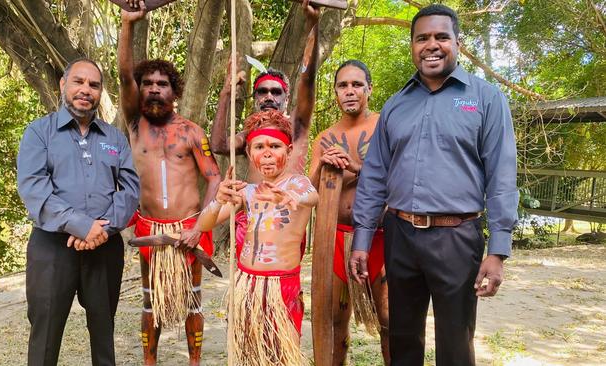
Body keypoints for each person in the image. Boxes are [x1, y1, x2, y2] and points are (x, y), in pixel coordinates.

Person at [349, 4, 518, 365]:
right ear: (412, 45)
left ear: (458, 41)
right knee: (402, 336)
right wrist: (362, 238)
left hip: (457, 237)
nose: (432, 45)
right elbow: (375, 175)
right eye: (422, 38)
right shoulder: (396, 105)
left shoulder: (486, 99)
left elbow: (502, 177)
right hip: (400, 235)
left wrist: (498, 250)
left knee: (456, 341)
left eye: (441, 37)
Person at [17, 58, 140, 366]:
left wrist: (103, 229)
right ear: (63, 85)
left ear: (100, 92)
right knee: (45, 334)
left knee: (103, 331)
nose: (86, 90)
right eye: (79, 82)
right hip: (52, 248)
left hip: (105, 246)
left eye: (94, 85)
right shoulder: (39, 132)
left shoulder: (114, 138)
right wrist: (81, 225)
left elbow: (130, 190)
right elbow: (34, 189)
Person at [118, 4, 221, 365]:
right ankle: (150, 361)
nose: (154, 90)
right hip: (151, 229)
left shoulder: (191, 131)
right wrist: (128, 25)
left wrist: (199, 224)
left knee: (193, 298)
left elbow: (214, 178)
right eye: (147, 84)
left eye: (162, 84)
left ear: (173, 90)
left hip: (187, 229)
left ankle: (194, 361)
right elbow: (122, 74)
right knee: (151, 300)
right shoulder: (134, 124)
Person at [197, 110, 318, 365]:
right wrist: (218, 200)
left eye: (275, 146)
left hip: (281, 288)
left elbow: (312, 196)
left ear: (289, 149)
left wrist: (291, 197)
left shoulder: (298, 184)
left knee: (281, 356)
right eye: (258, 146)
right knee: (249, 356)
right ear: (250, 153)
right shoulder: (247, 192)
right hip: (247, 285)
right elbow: (203, 223)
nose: (267, 153)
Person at [308, 59, 389, 365]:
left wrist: (355, 167)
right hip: (336, 239)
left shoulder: (385, 125)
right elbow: (309, 193)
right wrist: (323, 166)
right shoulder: (324, 138)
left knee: (389, 322)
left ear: (370, 88)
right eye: (343, 85)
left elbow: (400, 179)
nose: (350, 91)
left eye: (357, 84)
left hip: (381, 236)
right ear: (335, 92)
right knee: (334, 323)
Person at [210, 0, 321, 182]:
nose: (269, 96)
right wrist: (226, 94)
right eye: (262, 92)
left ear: (286, 99)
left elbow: (307, 79)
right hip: (256, 208)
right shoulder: (249, 133)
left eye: (276, 92)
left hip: (291, 208)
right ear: (255, 98)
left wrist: (313, 24)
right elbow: (219, 146)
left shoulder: (297, 124)